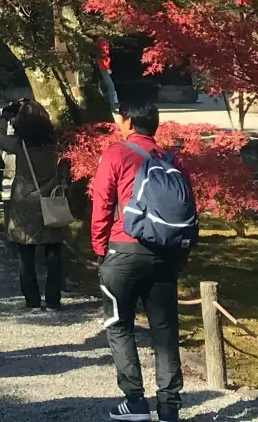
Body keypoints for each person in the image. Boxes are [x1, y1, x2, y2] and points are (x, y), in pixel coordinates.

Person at [91, 101, 186, 422]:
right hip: (163, 255)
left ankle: (134, 402)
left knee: (119, 326)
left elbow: (102, 205)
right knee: (164, 330)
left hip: (123, 250)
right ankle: (169, 405)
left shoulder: (116, 154)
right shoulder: (171, 160)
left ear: (129, 122)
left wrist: (99, 249)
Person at [7, 100, 69, 310]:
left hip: (24, 202)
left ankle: (32, 300)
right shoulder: (53, 142)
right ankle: (53, 299)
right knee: (54, 253)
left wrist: (5, 115)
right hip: (50, 200)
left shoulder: (19, 145)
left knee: (26, 254)